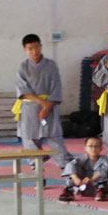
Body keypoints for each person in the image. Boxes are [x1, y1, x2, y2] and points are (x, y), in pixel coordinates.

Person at [13, 34, 74, 169]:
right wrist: (42, 103)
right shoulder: (22, 67)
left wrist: (47, 107)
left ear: (41, 46)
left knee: (55, 138)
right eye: (30, 49)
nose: (34, 51)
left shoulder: (51, 65)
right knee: (29, 138)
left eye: (36, 47)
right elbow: (23, 91)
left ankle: (69, 173)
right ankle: (38, 172)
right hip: (30, 107)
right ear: (25, 50)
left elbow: (56, 87)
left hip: (50, 106)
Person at [59, 137, 108, 202]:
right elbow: (70, 165)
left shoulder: (106, 160)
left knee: (103, 176)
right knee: (72, 167)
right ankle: (69, 191)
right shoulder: (81, 159)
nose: (93, 149)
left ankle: (102, 192)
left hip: (98, 186)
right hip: (82, 185)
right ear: (85, 148)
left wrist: (92, 179)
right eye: (90, 146)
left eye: (97, 146)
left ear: (101, 148)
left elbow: (104, 170)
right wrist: (76, 178)